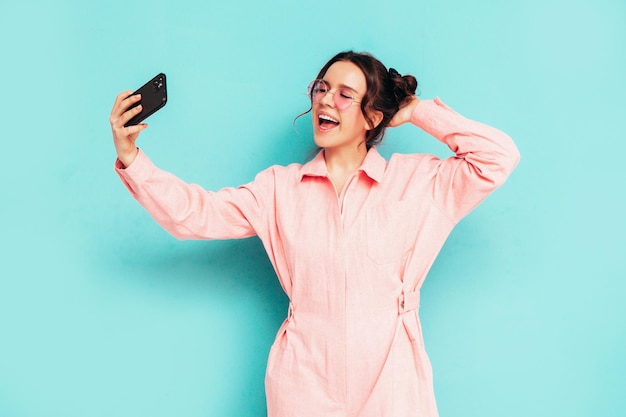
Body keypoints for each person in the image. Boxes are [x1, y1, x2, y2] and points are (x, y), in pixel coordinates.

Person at [109, 51, 520, 417]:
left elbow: (498, 157)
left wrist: (416, 110)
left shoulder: (419, 182)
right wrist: (132, 157)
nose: (325, 99)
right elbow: (194, 215)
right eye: (321, 88)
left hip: (392, 383)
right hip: (303, 384)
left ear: (373, 117)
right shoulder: (278, 189)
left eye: (344, 94)